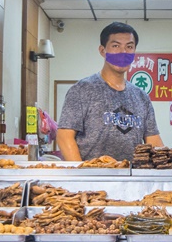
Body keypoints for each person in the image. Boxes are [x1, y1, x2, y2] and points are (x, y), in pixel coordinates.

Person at [57, 21, 163, 162]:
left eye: (129, 47)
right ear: (102, 51)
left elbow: (153, 140)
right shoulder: (82, 90)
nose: (123, 52)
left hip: (131, 178)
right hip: (92, 178)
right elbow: (64, 136)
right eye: (115, 46)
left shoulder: (141, 97)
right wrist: (81, 174)